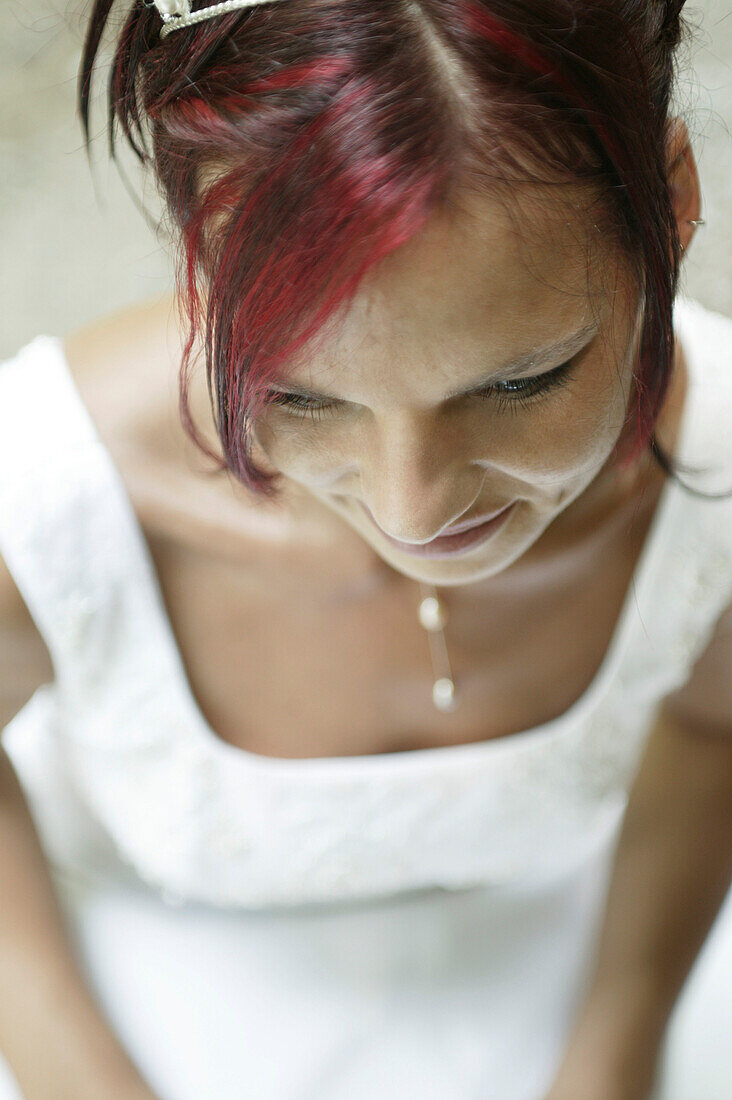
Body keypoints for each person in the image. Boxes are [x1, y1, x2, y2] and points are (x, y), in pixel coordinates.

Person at [0, 1, 730, 1098]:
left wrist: (615, 1050)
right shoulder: (47, 500)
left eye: (518, 381)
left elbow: (709, 719)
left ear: (672, 203)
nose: (414, 507)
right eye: (298, 392)